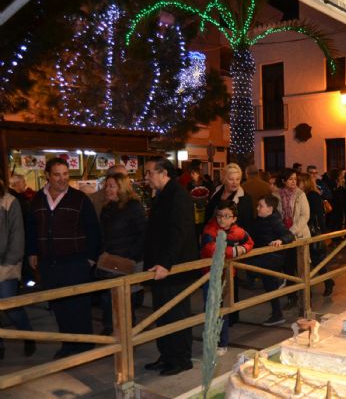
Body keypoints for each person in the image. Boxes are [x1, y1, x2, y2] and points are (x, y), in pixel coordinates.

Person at [26, 158, 101, 359]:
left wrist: (91, 259)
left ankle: (84, 344)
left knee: (78, 305)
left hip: (76, 261)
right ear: (48, 176)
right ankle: (68, 344)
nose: (62, 179)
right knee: (59, 306)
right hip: (49, 263)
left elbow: (93, 229)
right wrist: (32, 252)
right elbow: (32, 228)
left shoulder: (79, 198)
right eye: (57, 174)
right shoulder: (37, 200)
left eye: (66, 174)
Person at [143, 157, 198, 376]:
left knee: (176, 314)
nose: (146, 178)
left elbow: (179, 233)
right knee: (162, 314)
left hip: (175, 268)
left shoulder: (178, 196)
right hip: (160, 267)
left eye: (149, 173)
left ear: (163, 173)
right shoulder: (162, 195)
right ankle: (166, 355)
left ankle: (181, 359)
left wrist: (166, 263)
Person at [201, 200, 253, 355]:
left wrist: (241, 248)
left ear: (234, 218)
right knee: (212, 309)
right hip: (210, 276)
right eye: (219, 216)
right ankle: (213, 340)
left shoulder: (238, 231)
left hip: (228, 276)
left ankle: (221, 342)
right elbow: (212, 250)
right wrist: (236, 251)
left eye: (227, 216)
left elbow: (250, 242)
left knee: (224, 310)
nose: (222, 220)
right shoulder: (210, 230)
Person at [97, 172, 147, 335]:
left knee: (126, 301)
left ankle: (127, 332)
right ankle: (110, 328)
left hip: (127, 262)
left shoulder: (134, 207)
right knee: (107, 298)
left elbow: (143, 234)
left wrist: (130, 256)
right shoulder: (107, 207)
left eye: (112, 186)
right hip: (109, 261)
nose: (108, 190)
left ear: (122, 187)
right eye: (107, 186)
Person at [204, 163, 252, 320]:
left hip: (230, 243)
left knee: (230, 280)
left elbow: (246, 223)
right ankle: (215, 313)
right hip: (212, 240)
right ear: (224, 178)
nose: (234, 182)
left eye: (238, 179)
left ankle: (231, 315)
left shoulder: (244, 198)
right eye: (231, 179)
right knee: (213, 280)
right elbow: (209, 212)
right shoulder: (217, 192)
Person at [0, 178, 35, 359]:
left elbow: (17, 234)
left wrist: (9, 261)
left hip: (7, 264)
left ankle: (28, 335)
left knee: (11, 306)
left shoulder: (9, 201)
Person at [248, 195, 295, 325]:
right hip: (265, 258)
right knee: (269, 286)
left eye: (260, 206)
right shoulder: (261, 219)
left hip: (271, 259)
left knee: (270, 285)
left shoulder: (274, 220)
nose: (257, 208)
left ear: (270, 208)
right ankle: (277, 313)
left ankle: (277, 314)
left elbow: (289, 235)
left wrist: (281, 240)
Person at [274, 168, 310, 310]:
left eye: (295, 179)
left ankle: (306, 298)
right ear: (283, 181)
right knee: (288, 269)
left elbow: (305, 216)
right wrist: (283, 233)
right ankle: (292, 297)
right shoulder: (277, 196)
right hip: (284, 237)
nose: (293, 182)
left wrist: (292, 231)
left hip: (299, 236)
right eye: (290, 179)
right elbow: (277, 216)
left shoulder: (301, 195)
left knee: (302, 268)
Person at [298, 173, 334, 296]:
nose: (298, 184)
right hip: (307, 231)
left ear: (306, 183)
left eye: (300, 182)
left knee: (317, 260)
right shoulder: (305, 195)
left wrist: (322, 233)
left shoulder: (312, 196)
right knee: (312, 260)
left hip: (313, 232)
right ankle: (320, 284)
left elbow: (319, 216)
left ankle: (328, 282)